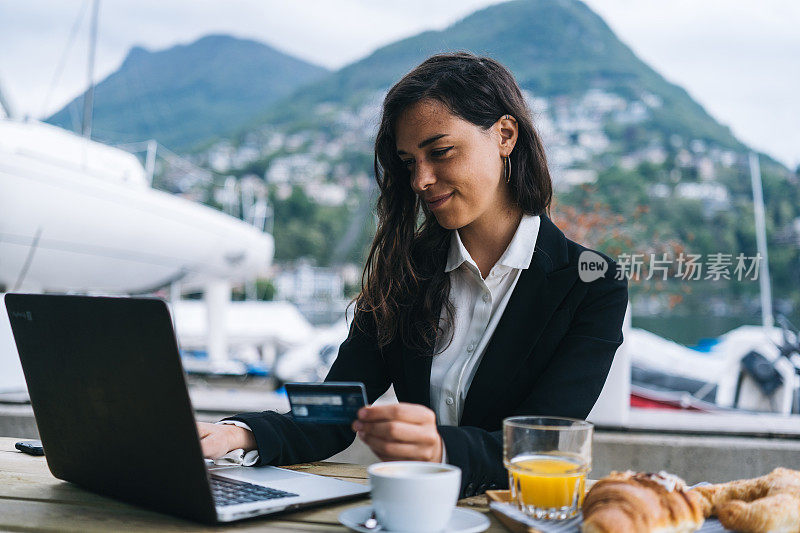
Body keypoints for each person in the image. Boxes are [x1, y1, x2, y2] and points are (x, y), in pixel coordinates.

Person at [197, 52, 628, 498]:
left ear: (504, 135)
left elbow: (545, 444)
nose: (421, 180)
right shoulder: (403, 273)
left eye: (440, 152)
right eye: (408, 162)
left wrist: (440, 447)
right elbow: (332, 417)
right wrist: (235, 434)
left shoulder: (592, 285)